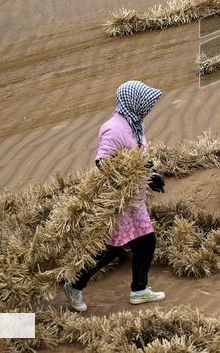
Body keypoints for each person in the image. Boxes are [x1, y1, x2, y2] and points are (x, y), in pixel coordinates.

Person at [63, 80, 167, 312]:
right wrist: (131, 176)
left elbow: (136, 158)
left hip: (134, 200)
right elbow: (103, 162)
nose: (149, 107)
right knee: (111, 247)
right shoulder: (114, 128)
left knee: (146, 242)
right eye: (146, 102)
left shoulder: (133, 124)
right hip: (118, 201)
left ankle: (139, 291)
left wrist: (151, 176)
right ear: (133, 102)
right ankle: (74, 284)